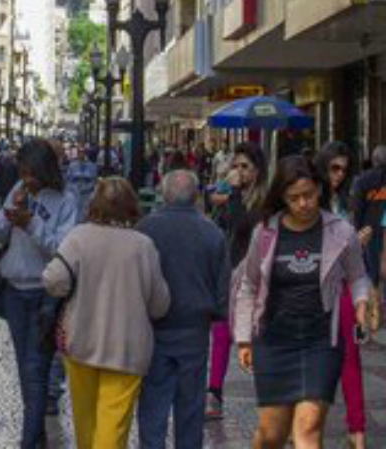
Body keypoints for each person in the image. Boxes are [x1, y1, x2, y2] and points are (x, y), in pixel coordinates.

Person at [234, 155, 371, 449]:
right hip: (273, 340)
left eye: (308, 195)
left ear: (319, 189)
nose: (303, 204)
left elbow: (358, 276)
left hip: (321, 341)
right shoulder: (266, 232)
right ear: (282, 196)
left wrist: (361, 304)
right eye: (294, 197)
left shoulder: (340, 231)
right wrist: (244, 339)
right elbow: (249, 285)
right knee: (271, 435)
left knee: (307, 429)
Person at [43, 177, 171, 449]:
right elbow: (160, 305)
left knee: (85, 420)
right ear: (131, 206)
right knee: (113, 425)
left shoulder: (79, 237)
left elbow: (53, 280)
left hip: (81, 342)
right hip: (127, 349)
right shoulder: (143, 245)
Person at [0, 139, 77, 446]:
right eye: (22, 172)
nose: (26, 178)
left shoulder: (66, 200)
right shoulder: (19, 189)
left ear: (45, 169)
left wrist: (32, 224)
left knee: (35, 368)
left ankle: (29, 441)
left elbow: (62, 250)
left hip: (46, 295)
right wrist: (8, 214)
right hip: (14, 290)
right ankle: (36, 435)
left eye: (31, 173)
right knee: (24, 366)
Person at [136, 170, 229, 449]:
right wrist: (217, 316)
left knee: (153, 403)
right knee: (190, 405)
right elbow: (222, 286)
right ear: (197, 196)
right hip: (194, 328)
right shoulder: (212, 232)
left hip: (155, 328)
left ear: (163, 195)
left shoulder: (145, 229)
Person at [206, 140, 268, 419]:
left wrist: (230, 193)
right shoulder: (236, 194)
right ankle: (214, 393)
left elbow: (240, 223)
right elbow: (221, 224)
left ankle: (273, 397)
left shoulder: (264, 200)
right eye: (236, 166)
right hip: (230, 271)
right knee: (220, 332)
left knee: (256, 336)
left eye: (245, 167)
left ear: (258, 170)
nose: (239, 172)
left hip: (255, 276)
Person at [316, 141, 367, 448]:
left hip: (345, 286)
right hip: (312, 289)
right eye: (334, 168)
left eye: (344, 170)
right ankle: (304, 426)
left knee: (351, 357)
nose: (338, 175)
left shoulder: (345, 201)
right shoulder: (308, 199)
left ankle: (357, 430)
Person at [350, 144, 386, 287]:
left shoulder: (362, 180)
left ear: (373, 160)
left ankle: (375, 300)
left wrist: (357, 230)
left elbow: (357, 208)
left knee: (371, 272)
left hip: (368, 230)